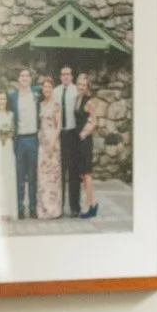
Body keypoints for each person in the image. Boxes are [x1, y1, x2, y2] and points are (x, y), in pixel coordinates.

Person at [10, 67, 40, 219]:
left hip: (33, 138)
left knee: (33, 176)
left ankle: (33, 207)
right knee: (20, 176)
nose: (25, 78)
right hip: (20, 140)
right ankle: (20, 208)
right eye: (22, 76)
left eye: (27, 76)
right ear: (18, 79)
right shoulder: (13, 97)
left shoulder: (36, 94)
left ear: (30, 78)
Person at [54, 62, 81, 216]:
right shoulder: (56, 91)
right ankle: (59, 207)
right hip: (60, 134)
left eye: (68, 74)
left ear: (72, 76)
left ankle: (74, 207)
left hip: (72, 134)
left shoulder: (77, 91)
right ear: (60, 76)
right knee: (60, 172)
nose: (65, 77)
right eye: (63, 74)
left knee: (73, 172)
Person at [75, 72, 100, 220]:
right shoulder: (78, 99)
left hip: (84, 141)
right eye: (79, 84)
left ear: (87, 87)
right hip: (78, 142)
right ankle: (89, 204)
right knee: (82, 175)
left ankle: (91, 207)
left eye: (84, 85)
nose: (81, 87)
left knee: (87, 174)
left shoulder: (89, 101)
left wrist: (83, 134)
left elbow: (94, 121)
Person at [36, 75, 62, 219]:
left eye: (49, 87)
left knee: (53, 176)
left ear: (53, 89)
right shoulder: (41, 104)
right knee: (43, 176)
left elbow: (59, 126)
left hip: (53, 141)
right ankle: (43, 209)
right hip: (42, 142)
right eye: (45, 87)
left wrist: (53, 142)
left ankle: (53, 209)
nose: (47, 89)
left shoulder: (56, 105)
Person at [0, 89, 17, 221]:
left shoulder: (11, 115)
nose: (2, 101)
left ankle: (7, 210)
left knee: (7, 176)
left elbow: (13, 131)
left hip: (7, 146)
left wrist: (6, 135)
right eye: (0, 99)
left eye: (4, 99)